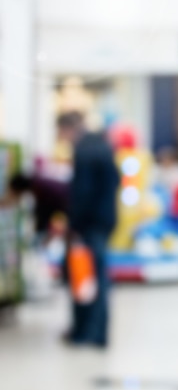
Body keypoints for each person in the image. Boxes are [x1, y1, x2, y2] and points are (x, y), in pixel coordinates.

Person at [59, 111, 120, 348]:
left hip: (88, 225)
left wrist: (74, 225)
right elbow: (115, 180)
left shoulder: (83, 150)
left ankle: (86, 333)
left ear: (67, 128)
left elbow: (81, 194)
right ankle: (96, 333)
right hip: (104, 222)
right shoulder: (102, 145)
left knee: (85, 277)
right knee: (97, 277)